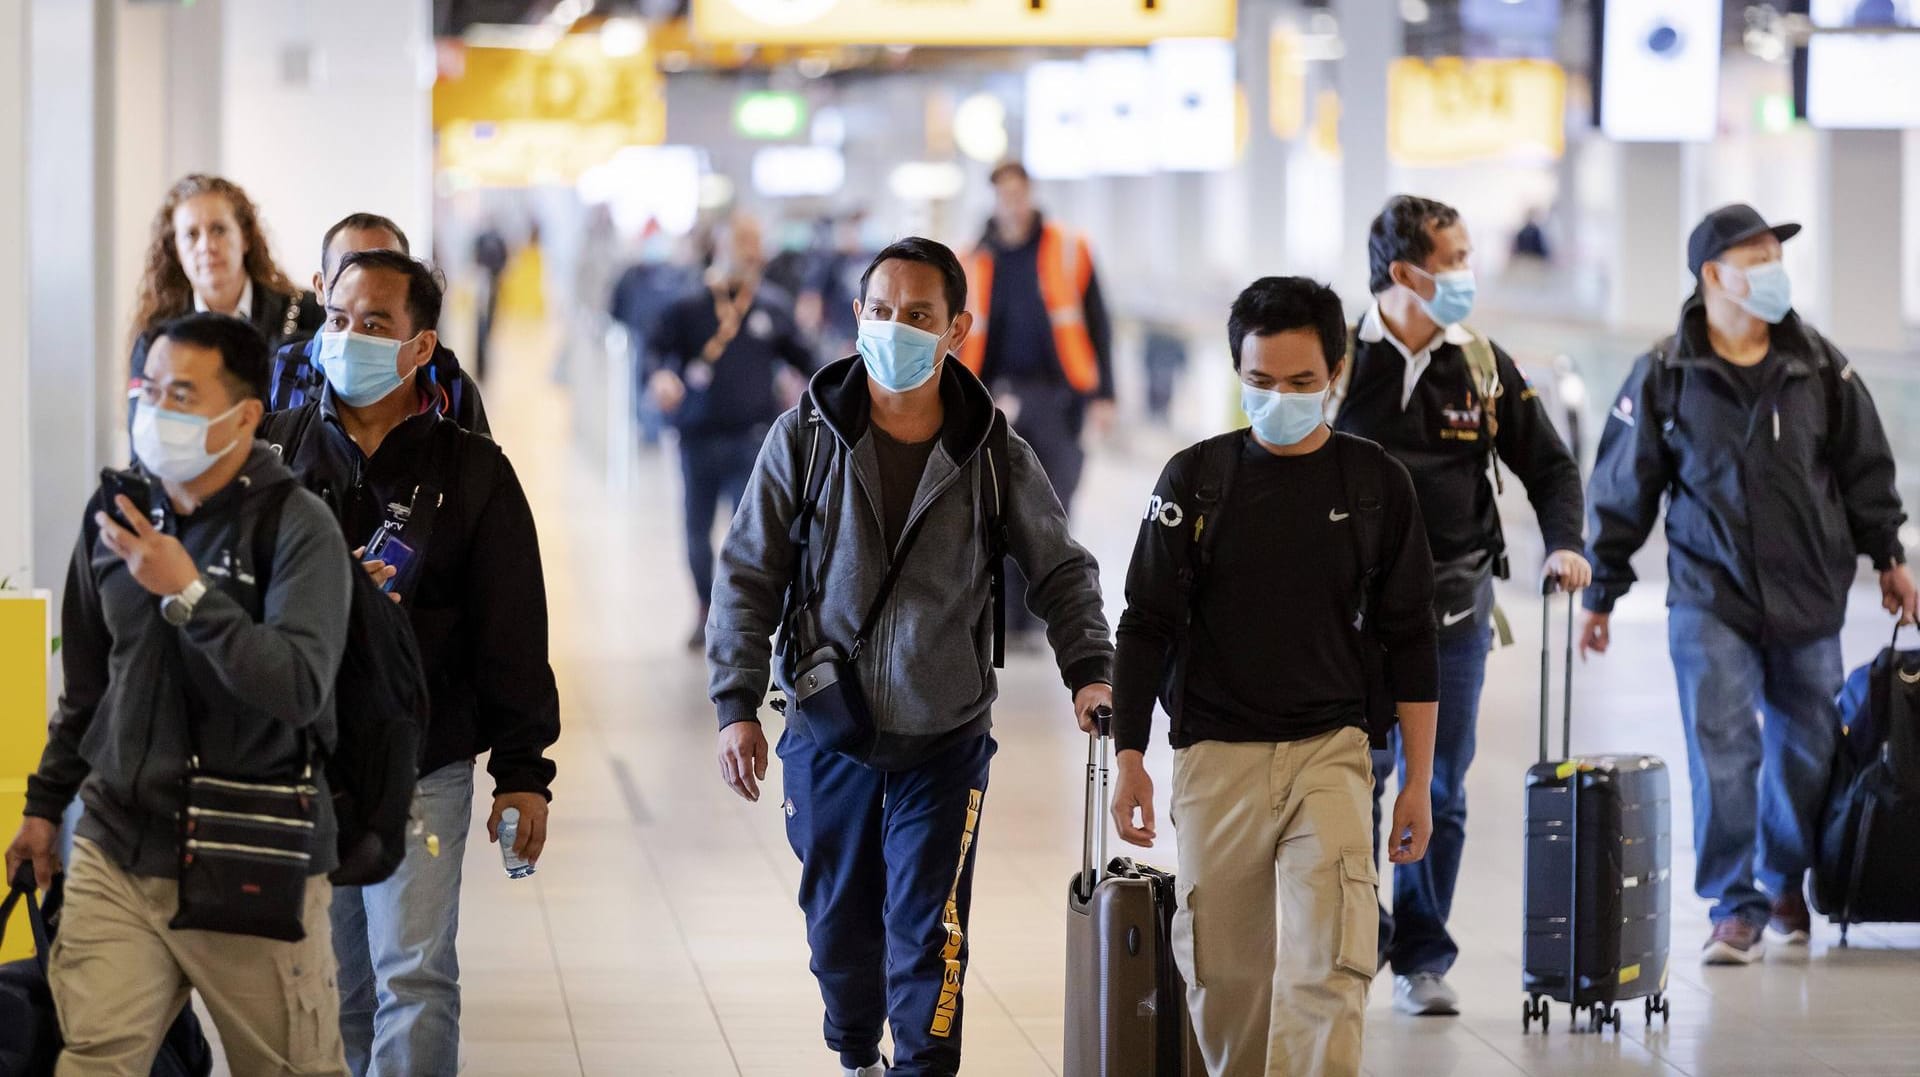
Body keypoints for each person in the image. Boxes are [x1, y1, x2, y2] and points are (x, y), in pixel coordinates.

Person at [707, 237, 1114, 1077]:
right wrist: (736, 704)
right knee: (839, 926)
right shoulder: (804, 439)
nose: (898, 328)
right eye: (883, 311)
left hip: (946, 735)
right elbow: (748, 572)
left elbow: (1062, 568)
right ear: (858, 318)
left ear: (957, 328)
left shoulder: (994, 452)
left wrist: (1090, 670)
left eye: (919, 315)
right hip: (829, 730)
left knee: (931, 927)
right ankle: (856, 1048)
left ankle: (923, 1066)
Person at [6, 313, 352, 1076]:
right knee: (93, 1059)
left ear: (243, 415)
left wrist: (189, 591)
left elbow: (296, 684)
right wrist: (42, 806)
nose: (157, 409)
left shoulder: (298, 526)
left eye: (183, 394)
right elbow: (90, 689)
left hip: (252, 854)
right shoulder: (116, 517)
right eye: (150, 389)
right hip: (117, 847)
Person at [1108, 276, 1437, 1077]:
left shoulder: (1374, 485)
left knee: (1333, 962)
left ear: (1337, 372)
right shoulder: (1194, 481)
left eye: (1299, 382)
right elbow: (1143, 624)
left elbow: (1411, 641)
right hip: (1216, 758)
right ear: (1236, 373)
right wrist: (1129, 758)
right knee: (1227, 977)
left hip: (1332, 750)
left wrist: (1418, 783)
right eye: (1259, 382)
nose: (1279, 398)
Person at [1582, 203, 1916, 964]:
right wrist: (1603, 589)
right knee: (1724, 746)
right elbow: (1623, 483)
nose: (1773, 270)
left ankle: (1781, 878)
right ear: (1712, 276)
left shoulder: (1819, 364)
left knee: (1807, 748)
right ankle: (1734, 903)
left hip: (1809, 589)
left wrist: (1888, 556)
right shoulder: (1666, 372)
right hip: (1710, 592)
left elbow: (1865, 465)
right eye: (1757, 257)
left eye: (1776, 256)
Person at [263, 250, 561, 1075]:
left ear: (420, 344)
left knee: (415, 976)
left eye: (375, 324)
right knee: (336, 984)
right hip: (301, 761)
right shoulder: (275, 454)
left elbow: (513, 633)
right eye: (339, 319)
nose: (349, 337)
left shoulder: (471, 470)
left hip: (421, 762)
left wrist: (524, 770)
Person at [1329, 194, 1588, 1016]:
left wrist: (1563, 541)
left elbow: (1549, 466)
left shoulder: (1481, 363)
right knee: (1351, 776)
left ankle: (1422, 954)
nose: (1469, 273)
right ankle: (1352, 937)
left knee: (1437, 782)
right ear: (1404, 272)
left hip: (1453, 609)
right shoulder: (1335, 362)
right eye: (1456, 258)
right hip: (1349, 617)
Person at [961, 161, 1116, 647]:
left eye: (1017, 191)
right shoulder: (972, 258)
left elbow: (1098, 323)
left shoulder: (1069, 249)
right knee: (997, 509)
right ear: (993, 197)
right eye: (1002, 193)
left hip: (1058, 398)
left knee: (1054, 506)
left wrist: (1103, 394)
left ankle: (1039, 614)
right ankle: (1009, 619)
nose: (1011, 201)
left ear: (1029, 193)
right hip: (992, 397)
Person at [650, 213, 817, 652]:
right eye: (744, 240)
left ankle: (742, 618)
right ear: (721, 244)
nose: (752, 250)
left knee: (752, 536)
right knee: (696, 530)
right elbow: (657, 353)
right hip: (698, 437)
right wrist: (659, 378)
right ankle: (705, 610)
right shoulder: (687, 303)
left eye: (757, 241)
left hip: (753, 440)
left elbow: (808, 360)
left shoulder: (772, 306)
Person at [267, 212, 490, 436]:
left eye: (386, 270)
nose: (364, 285)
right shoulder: (281, 375)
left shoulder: (448, 385)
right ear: (321, 287)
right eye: (347, 272)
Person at [127, 174, 324, 400]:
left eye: (219, 230)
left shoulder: (307, 312)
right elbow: (144, 428)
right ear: (175, 251)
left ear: (246, 238)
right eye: (191, 235)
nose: (207, 246)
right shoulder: (155, 339)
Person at [471, 223, 510, 382]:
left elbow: (504, 259)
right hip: (484, 287)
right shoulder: (483, 239)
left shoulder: (495, 240)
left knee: (487, 327)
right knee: (482, 327)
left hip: (492, 287)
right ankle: (480, 367)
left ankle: (483, 366)